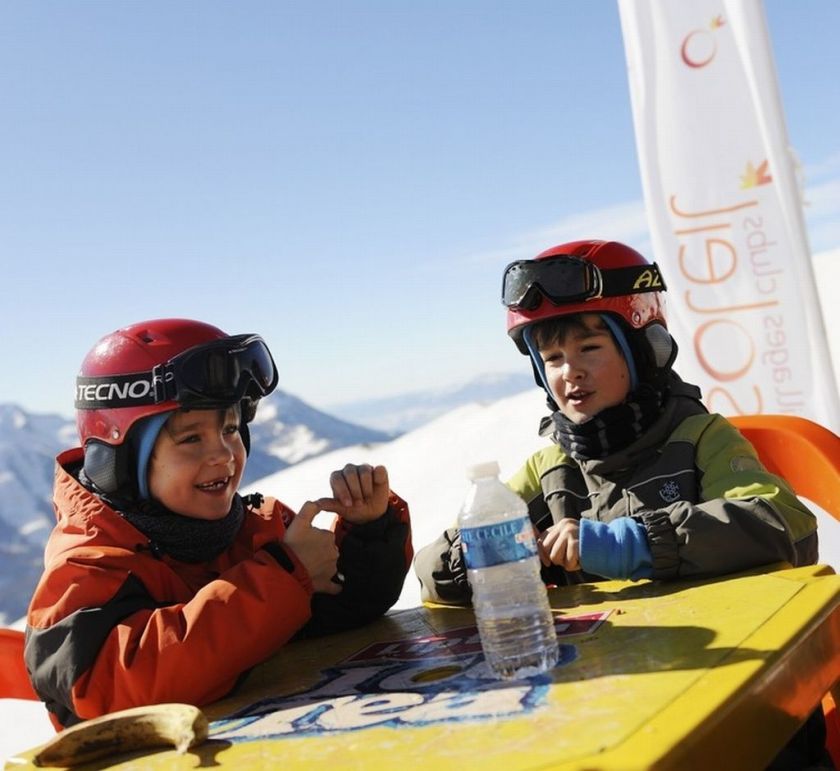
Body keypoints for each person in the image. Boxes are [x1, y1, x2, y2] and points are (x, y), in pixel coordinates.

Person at [25, 318, 412, 729]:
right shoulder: (86, 568)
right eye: (191, 439)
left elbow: (344, 615)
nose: (223, 454)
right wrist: (285, 578)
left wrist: (370, 532)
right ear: (119, 459)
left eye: (230, 429)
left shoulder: (257, 532)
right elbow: (118, 687)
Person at [415, 239, 818, 599]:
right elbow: (430, 572)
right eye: (552, 359)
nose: (569, 371)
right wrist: (486, 557)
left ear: (645, 350)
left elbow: (784, 523)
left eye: (589, 348)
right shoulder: (552, 470)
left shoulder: (699, 438)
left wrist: (629, 545)